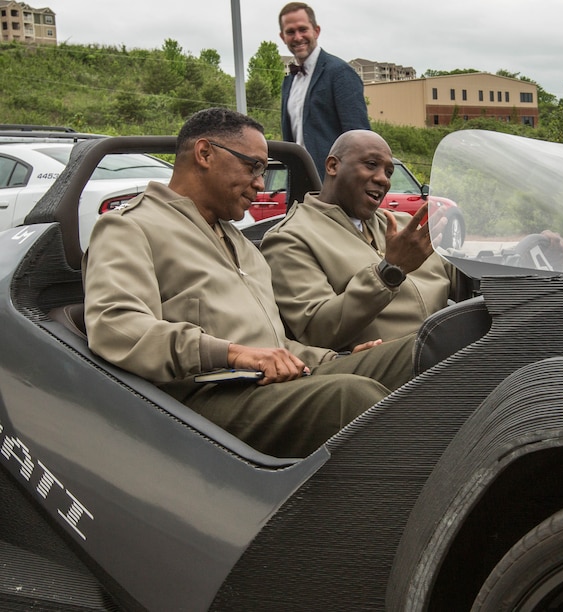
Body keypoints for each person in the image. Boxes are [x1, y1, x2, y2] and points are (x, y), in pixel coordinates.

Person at [82, 108, 414, 459]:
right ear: (205, 154)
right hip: (204, 400)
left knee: (415, 351)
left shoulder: (239, 242)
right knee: (352, 397)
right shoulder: (130, 227)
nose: (260, 183)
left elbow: (274, 344)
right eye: (252, 167)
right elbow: (116, 327)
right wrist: (235, 354)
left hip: (271, 383)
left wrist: (335, 357)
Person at [260, 129, 455, 352]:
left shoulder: (401, 223)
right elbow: (317, 329)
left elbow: (453, 273)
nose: (383, 179)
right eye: (371, 164)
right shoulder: (290, 238)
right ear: (333, 166)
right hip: (386, 363)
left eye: (389, 172)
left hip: (449, 344)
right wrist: (389, 273)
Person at [279, 2, 370, 178]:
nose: (297, 37)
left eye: (303, 29)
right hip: (299, 182)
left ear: (316, 31)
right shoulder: (289, 81)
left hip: (334, 184)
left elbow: (360, 139)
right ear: (282, 37)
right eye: (290, 32)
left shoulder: (340, 73)